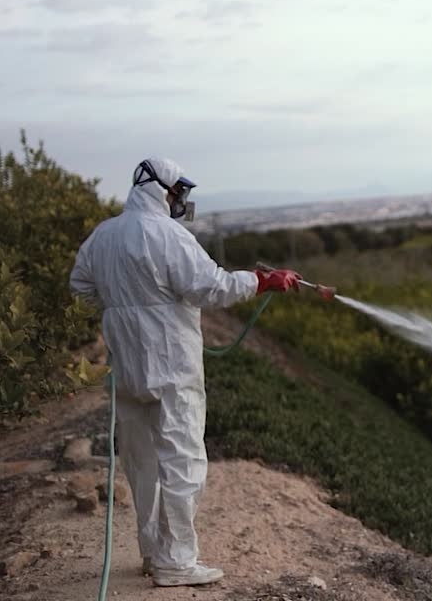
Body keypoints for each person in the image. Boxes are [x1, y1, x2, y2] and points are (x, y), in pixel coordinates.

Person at [69, 157, 301, 587]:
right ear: (162, 190)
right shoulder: (167, 234)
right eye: (179, 192)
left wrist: (122, 308)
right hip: (171, 363)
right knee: (182, 458)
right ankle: (175, 562)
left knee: (141, 462)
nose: (182, 200)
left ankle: (152, 553)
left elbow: (81, 287)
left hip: (128, 367)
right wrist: (261, 281)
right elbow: (211, 286)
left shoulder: (103, 235)